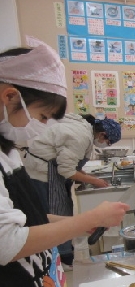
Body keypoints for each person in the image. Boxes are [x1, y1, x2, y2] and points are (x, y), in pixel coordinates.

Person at [0, 39, 128, 287]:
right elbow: (8, 242)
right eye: (41, 116)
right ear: (9, 96)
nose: (41, 127)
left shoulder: (8, 151)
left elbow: (28, 219)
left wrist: (74, 222)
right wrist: (90, 218)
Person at [24, 114, 121, 268]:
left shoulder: (84, 131)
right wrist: (94, 181)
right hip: (42, 174)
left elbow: (70, 164)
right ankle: (55, 257)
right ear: (102, 134)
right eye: (107, 142)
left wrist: (87, 176)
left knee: (63, 210)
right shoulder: (81, 136)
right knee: (51, 213)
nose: (104, 145)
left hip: (49, 172)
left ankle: (64, 253)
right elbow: (66, 170)